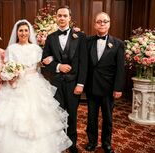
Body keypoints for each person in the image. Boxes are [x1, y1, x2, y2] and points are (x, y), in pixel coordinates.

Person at [0, 19, 72, 153]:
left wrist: (46, 62)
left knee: (38, 117)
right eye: (21, 30)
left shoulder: (36, 48)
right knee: (10, 118)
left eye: (26, 30)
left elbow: (39, 66)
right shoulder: (11, 49)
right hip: (16, 84)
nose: (23, 33)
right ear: (17, 32)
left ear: (29, 32)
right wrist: (11, 76)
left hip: (34, 84)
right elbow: (7, 67)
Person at [42, 5, 88, 153]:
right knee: (58, 114)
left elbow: (83, 62)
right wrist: (58, 66)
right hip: (56, 83)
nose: (62, 18)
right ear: (56, 18)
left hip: (74, 83)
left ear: (69, 18)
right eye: (59, 15)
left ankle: (72, 144)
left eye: (64, 16)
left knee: (73, 115)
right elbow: (45, 60)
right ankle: (60, 143)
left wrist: (80, 84)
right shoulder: (50, 38)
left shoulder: (80, 37)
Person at [85, 12, 125, 153]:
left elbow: (120, 68)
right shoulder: (87, 41)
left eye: (105, 21)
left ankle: (106, 143)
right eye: (99, 21)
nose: (102, 24)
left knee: (108, 118)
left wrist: (118, 88)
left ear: (109, 24)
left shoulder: (118, 44)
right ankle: (92, 142)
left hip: (108, 88)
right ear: (95, 24)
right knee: (91, 117)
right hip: (91, 87)